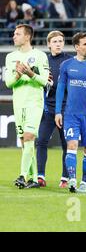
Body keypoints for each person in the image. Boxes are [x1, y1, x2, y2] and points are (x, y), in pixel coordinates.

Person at [55, 32, 86, 193]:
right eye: (85, 44)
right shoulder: (67, 65)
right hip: (71, 114)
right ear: (77, 47)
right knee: (71, 144)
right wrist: (58, 111)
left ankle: (84, 182)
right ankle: (72, 180)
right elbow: (60, 89)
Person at [5, 25, 49, 189]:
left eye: (17, 34)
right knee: (25, 142)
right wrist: (18, 73)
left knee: (30, 136)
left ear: (27, 37)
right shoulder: (10, 57)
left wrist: (29, 73)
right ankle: (34, 179)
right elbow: (9, 83)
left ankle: (23, 175)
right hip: (19, 103)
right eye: (14, 34)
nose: (14, 36)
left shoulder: (39, 55)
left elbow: (45, 81)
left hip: (34, 103)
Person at [35, 31, 72, 188]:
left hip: (66, 109)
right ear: (48, 44)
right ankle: (40, 177)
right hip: (47, 109)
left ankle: (65, 179)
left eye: (61, 41)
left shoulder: (70, 60)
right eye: (55, 41)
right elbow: (37, 84)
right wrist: (44, 82)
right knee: (41, 141)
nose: (58, 44)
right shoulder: (43, 61)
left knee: (66, 145)